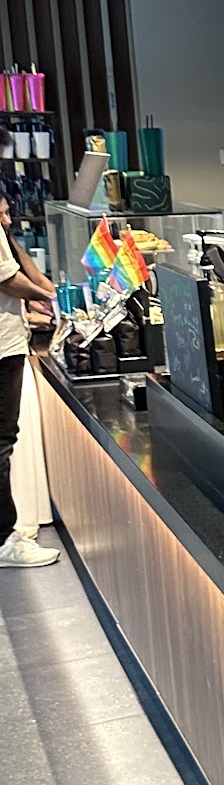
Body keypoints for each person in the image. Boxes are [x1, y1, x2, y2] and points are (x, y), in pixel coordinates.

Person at [0, 191, 59, 567]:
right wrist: (48, 297)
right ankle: (4, 540)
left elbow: (17, 265)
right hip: (2, 347)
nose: (7, 219)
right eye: (2, 213)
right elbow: (7, 280)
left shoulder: (4, 234)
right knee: (2, 442)